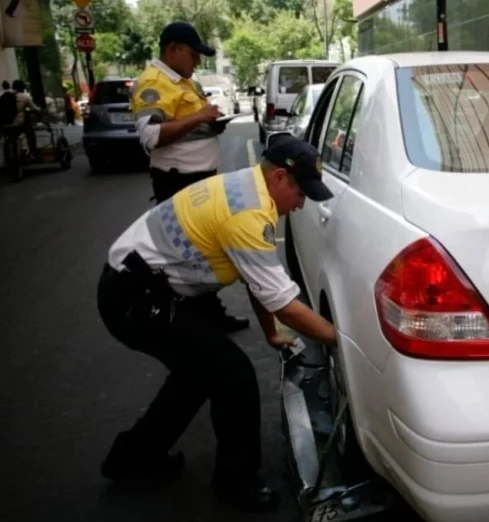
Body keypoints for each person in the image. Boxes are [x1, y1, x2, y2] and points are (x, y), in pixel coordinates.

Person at [97, 135, 338, 512]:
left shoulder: (249, 187)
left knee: (197, 372)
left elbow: (258, 281)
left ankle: (133, 457)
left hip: (145, 287)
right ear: (278, 177)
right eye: (300, 191)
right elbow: (284, 305)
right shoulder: (247, 213)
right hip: (136, 298)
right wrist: (342, 341)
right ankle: (236, 484)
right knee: (231, 374)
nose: (302, 203)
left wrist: (271, 333)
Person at [131, 20, 248, 332]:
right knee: (189, 255)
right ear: (173, 49)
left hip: (199, 180)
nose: (197, 61)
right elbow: (150, 136)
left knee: (201, 253)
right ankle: (189, 321)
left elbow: (191, 125)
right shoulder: (153, 83)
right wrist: (199, 116)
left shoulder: (185, 82)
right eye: (193, 54)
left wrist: (212, 123)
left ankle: (208, 315)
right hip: (178, 182)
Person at [11, 80, 40, 158]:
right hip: (19, 122)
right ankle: (33, 153)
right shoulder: (25, 97)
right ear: (22, 87)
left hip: (7, 123)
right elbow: (34, 108)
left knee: (12, 137)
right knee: (30, 134)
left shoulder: (5, 95)